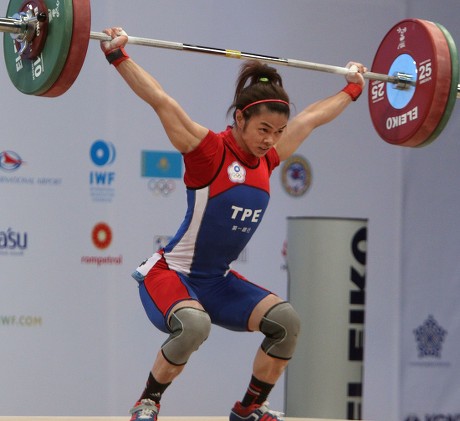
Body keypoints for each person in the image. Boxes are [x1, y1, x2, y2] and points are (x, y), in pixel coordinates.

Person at [100, 27, 366, 421]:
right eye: (263, 130)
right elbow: (161, 101)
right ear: (240, 118)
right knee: (193, 326)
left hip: (217, 282)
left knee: (286, 323)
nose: (271, 140)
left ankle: (248, 409)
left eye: (277, 132)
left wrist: (352, 89)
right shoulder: (209, 151)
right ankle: (148, 401)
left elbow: (310, 119)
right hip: (172, 274)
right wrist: (117, 56)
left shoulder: (270, 159)